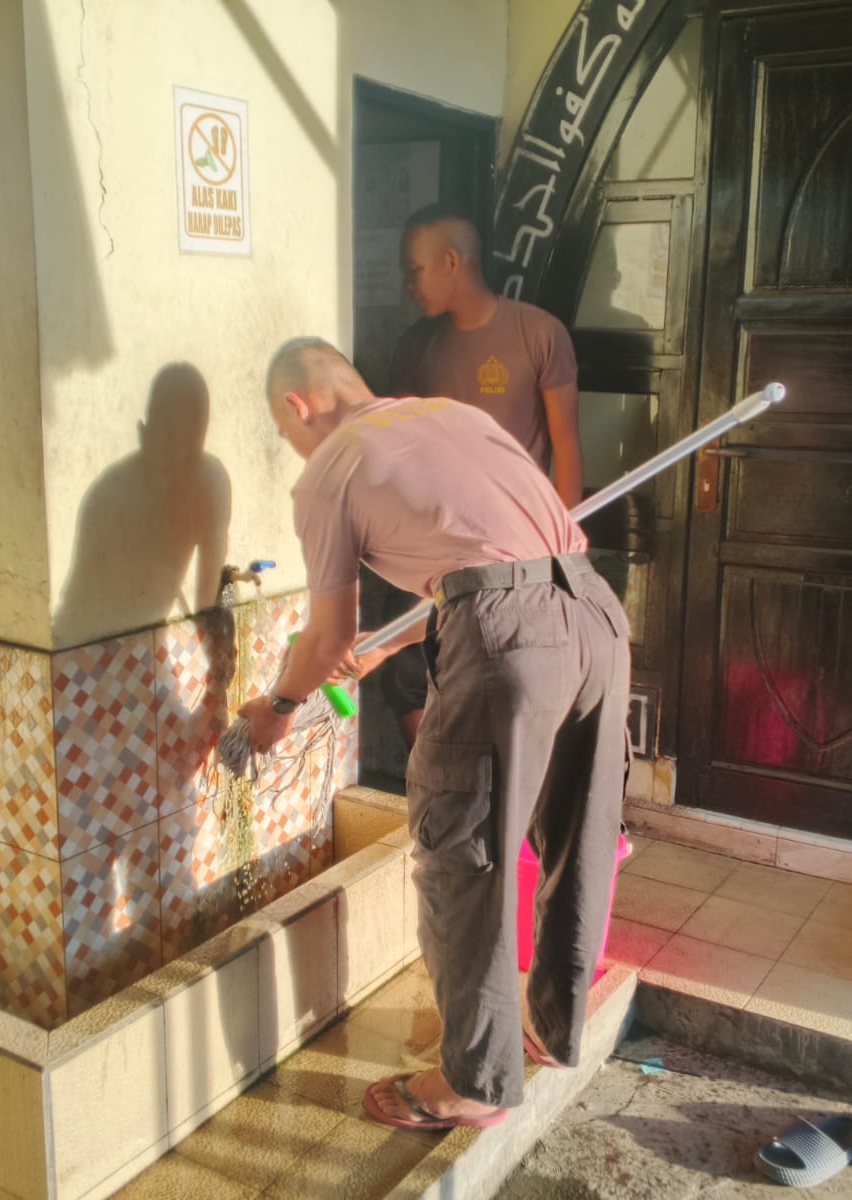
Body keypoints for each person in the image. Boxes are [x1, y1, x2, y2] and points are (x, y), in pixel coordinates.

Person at [238, 337, 629, 1131]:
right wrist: (389, 645)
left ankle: (475, 1084)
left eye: (285, 433)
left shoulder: (329, 469)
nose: (294, 447)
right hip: (596, 615)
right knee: (577, 835)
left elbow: (325, 638)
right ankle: (552, 1030)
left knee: (460, 851)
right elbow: (499, 566)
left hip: (513, 641)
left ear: (297, 407)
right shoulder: (451, 416)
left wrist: (276, 708)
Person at [379, 204, 585, 752]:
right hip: (430, 544)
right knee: (407, 672)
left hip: (512, 551)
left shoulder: (539, 333)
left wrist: (563, 554)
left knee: (504, 676)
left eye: (414, 270)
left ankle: (501, 791)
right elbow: (399, 446)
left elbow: (566, 446)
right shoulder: (416, 345)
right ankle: (434, 783)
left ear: (451, 262)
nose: (407, 285)